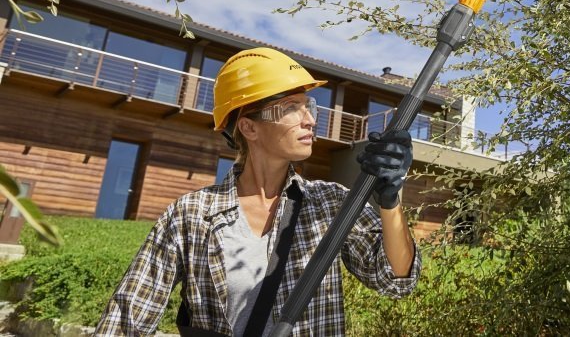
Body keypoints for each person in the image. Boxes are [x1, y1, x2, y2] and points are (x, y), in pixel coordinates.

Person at [97, 47, 420, 335]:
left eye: (309, 107)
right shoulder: (192, 214)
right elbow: (128, 319)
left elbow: (395, 281)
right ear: (249, 127)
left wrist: (389, 201)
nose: (309, 120)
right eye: (291, 107)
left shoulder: (331, 203)